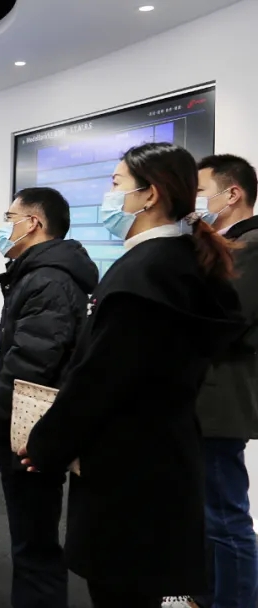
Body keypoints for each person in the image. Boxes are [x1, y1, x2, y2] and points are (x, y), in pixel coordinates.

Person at [21, 143, 245, 607]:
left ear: (150, 195)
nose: (110, 195)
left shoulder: (144, 273)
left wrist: (46, 444)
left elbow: (100, 380)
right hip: (163, 459)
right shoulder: (183, 262)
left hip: (125, 472)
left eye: (117, 183)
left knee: (119, 591)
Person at [0, 187, 99, 608]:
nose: (4, 226)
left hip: (29, 428)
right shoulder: (40, 273)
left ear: (33, 223)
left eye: (9, 217)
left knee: (35, 543)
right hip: (28, 425)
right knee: (31, 537)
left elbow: (31, 362)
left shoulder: (48, 279)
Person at [194, 154, 258, 608]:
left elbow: (221, 320)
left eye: (200, 192)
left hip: (221, 400)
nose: (193, 202)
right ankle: (209, 594)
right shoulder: (229, 244)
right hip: (207, 396)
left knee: (225, 516)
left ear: (232, 193)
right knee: (209, 510)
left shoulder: (249, 246)